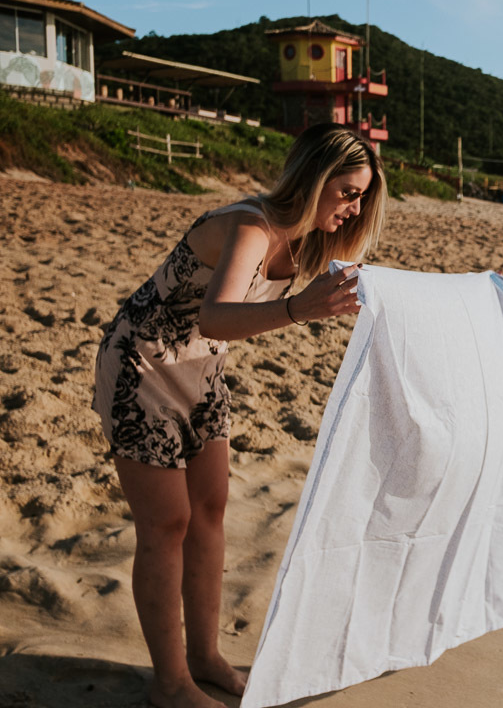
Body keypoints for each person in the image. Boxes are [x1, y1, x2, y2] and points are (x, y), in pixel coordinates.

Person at [92, 123, 387, 708]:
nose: (355, 209)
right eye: (347, 192)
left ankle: (205, 658)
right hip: (141, 367)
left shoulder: (308, 239)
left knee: (210, 513)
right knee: (167, 523)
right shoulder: (252, 225)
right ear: (313, 178)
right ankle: (170, 684)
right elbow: (216, 316)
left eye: (362, 196)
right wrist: (299, 309)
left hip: (201, 372)